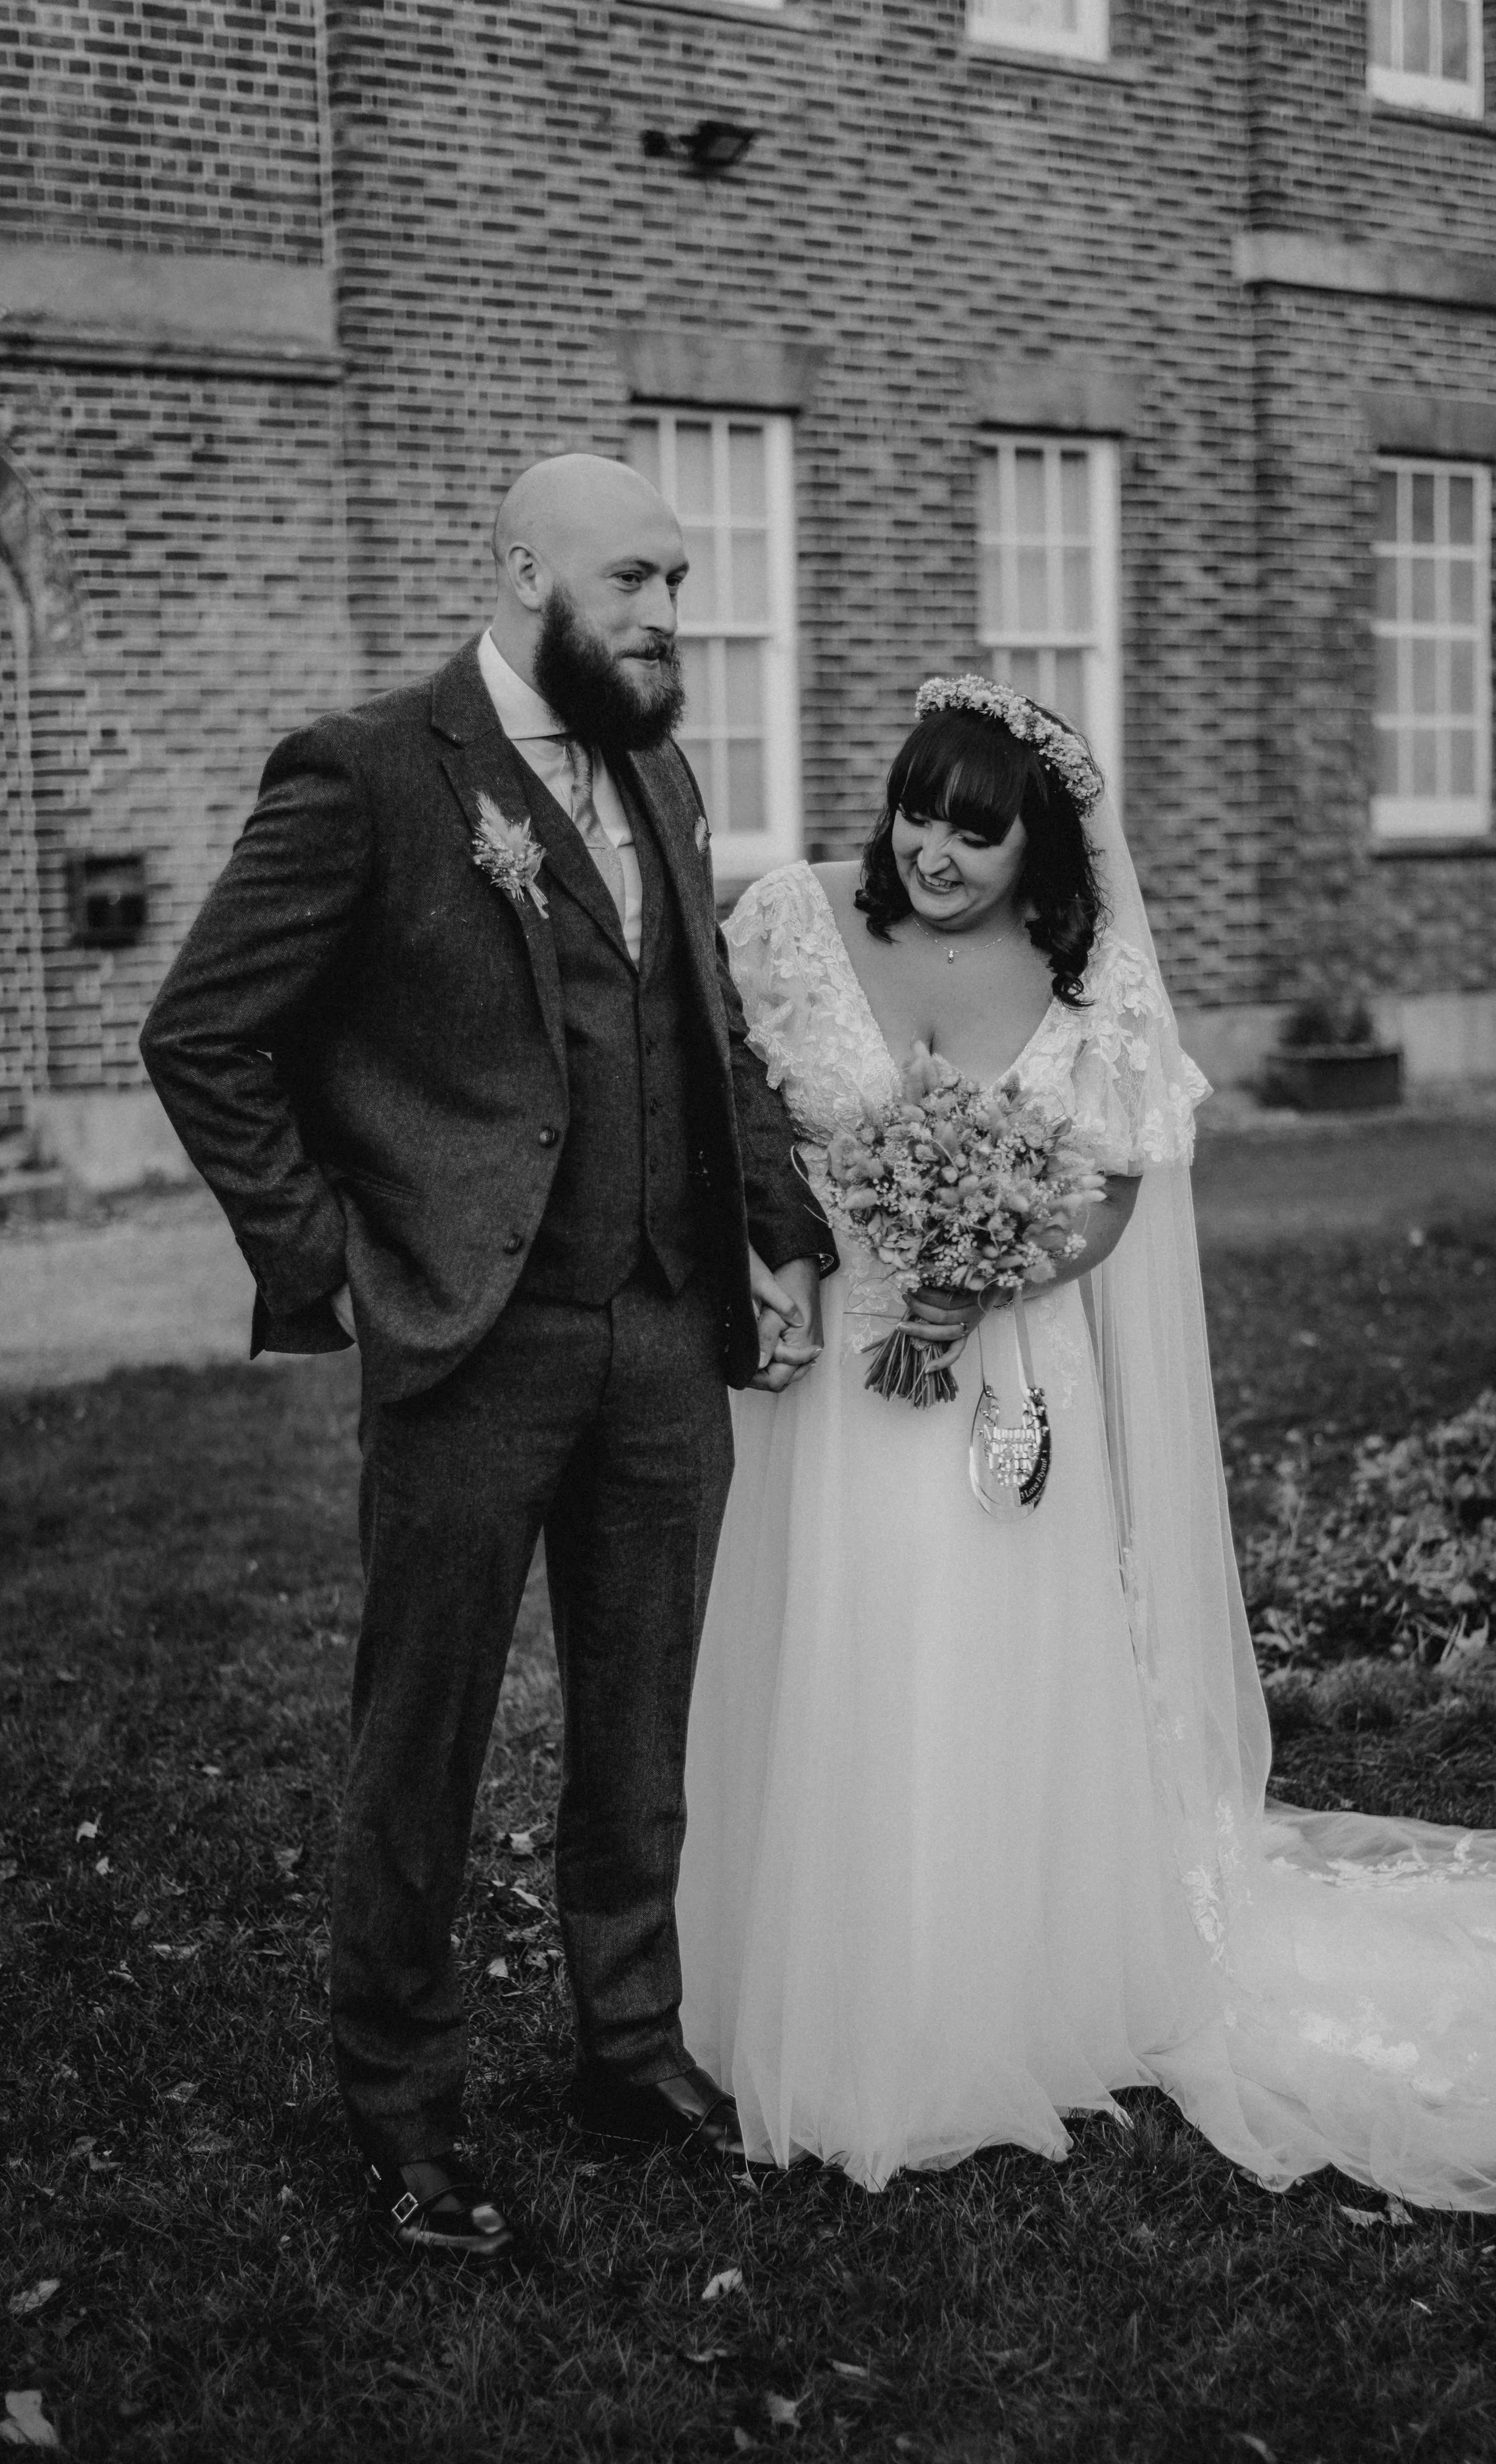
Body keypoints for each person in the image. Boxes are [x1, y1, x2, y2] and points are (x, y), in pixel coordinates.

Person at [677, 673, 1496, 2207]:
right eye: (918, 813)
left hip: (1005, 1368)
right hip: (836, 1378)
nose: (933, 852)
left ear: (1034, 850)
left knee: (989, 1664)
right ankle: (827, 1977)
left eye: (975, 836)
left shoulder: (1078, 979)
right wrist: (787, 1256)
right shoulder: (791, 924)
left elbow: (1122, 1183)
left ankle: (997, 1997)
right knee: (840, 1655)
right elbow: (716, 1113)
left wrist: (984, 1269)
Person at [139, 454, 833, 2259]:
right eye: (634, 579)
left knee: (640, 1717)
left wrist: (773, 1232)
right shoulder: (369, 772)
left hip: (665, 1333)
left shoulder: (661, 772)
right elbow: (205, 1031)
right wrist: (336, 1265)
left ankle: (627, 2046)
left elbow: (707, 1037)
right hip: (467, 1342)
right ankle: (404, 2102)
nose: (669, 613)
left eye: (678, 579)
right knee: (423, 1734)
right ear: (523, 568)